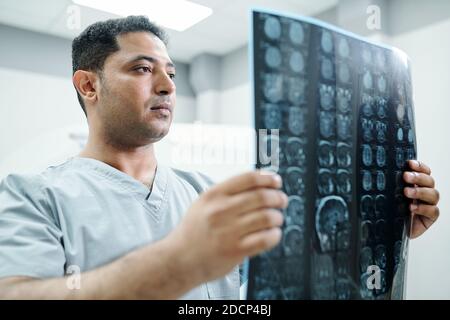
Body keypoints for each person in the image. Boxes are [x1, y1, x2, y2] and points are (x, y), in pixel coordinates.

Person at [0, 16, 440, 299]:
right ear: (88, 85)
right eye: (141, 68)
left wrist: (380, 232)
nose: (168, 86)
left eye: (170, 73)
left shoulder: (204, 192)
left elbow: (273, 291)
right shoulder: (35, 196)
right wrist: (178, 263)